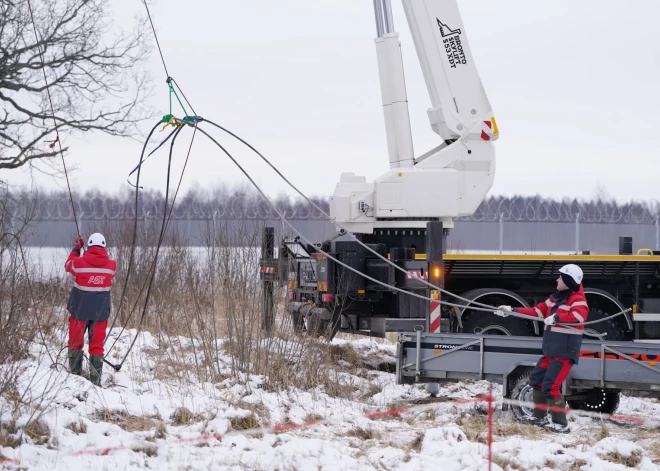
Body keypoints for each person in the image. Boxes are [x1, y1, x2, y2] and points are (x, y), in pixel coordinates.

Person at [494, 264, 588, 433]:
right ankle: (539, 418)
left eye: (560, 277)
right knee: (536, 380)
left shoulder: (578, 300)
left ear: (568, 280)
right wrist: (511, 311)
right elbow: (537, 311)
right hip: (551, 351)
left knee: (551, 386)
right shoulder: (556, 298)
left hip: (564, 353)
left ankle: (560, 424)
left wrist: (556, 317)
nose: (557, 279)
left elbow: (578, 316)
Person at [64, 233, 116, 387]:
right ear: (104, 247)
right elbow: (108, 274)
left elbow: (68, 265)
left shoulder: (79, 263)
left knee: (75, 343)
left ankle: (75, 378)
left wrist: (77, 248)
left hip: (79, 312)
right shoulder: (112, 266)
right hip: (100, 314)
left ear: (90, 245)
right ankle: (95, 382)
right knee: (97, 346)